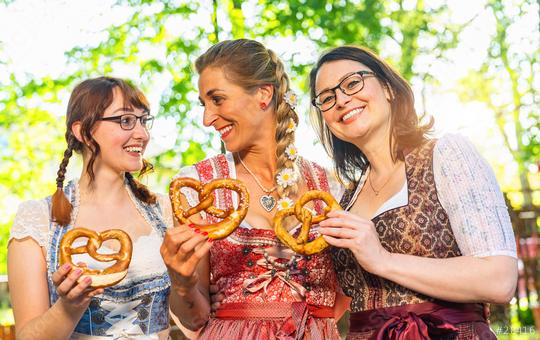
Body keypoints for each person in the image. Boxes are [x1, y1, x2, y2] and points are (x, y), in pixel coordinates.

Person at [308, 46, 518, 339]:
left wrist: (382, 260)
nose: (342, 99)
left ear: (388, 88)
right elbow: (339, 302)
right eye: (327, 98)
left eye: (353, 83)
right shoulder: (342, 198)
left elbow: (500, 279)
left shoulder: (447, 156)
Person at [161, 39, 344, 339]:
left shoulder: (331, 188)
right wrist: (181, 283)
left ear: (263, 94)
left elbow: (348, 293)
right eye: (203, 104)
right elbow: (194, 321)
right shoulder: (200, 188)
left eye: (217, 99)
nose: (207, 119)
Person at [8, 77, 176, 339]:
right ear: (84, 132)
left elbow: (190, 314)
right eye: (125, 120)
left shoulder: (164, 210)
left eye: (143, 120)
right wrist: (68, 307)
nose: (142, 134)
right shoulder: (39, 219)